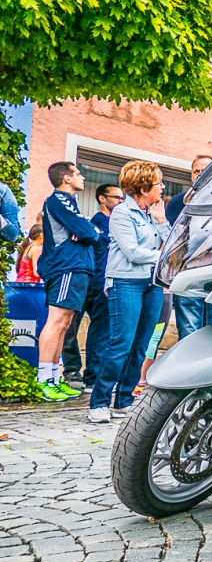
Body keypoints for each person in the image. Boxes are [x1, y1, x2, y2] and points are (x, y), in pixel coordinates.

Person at [88, 161, 170, 424]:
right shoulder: (122, 213)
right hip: (126, 282)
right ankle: (99, 403)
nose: (162, 187)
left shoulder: (151, 214)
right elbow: (133, 252)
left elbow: (169, 246)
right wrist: (161, 257)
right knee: (120, 343)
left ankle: (123, 400)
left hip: (152, 284)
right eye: (158, 183)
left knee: (142, 344)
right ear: (144, 187)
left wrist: (162, 221)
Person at [36, 162, 101, 401]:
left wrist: (88, 231)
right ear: (65, 178)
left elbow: (90, 231)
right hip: (65, 268)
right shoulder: (59, 200)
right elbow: (89, 232)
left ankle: (54, 377)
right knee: (56, 322)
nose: (82, 177)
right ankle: (44, 379)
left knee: (64, 324)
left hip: (77, 268)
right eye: (78, 173)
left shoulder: (70, 203)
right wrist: (87, 231)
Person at [60, 183, 122, 390]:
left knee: (99, 329)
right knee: (72, 327)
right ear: (102, 199)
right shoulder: (98, 222)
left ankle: (91, 375)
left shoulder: (114, 222)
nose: (120, 201)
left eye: (122, 198)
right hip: (92, 281)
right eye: (116, 197)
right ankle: (79, 373)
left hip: (100, 281)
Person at [170, 154, 212, 341]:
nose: (200, 175)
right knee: (189, 331)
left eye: (205, 169)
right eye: (196, 171)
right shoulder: (179, 202)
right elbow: (171, 239)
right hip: (188, 273)